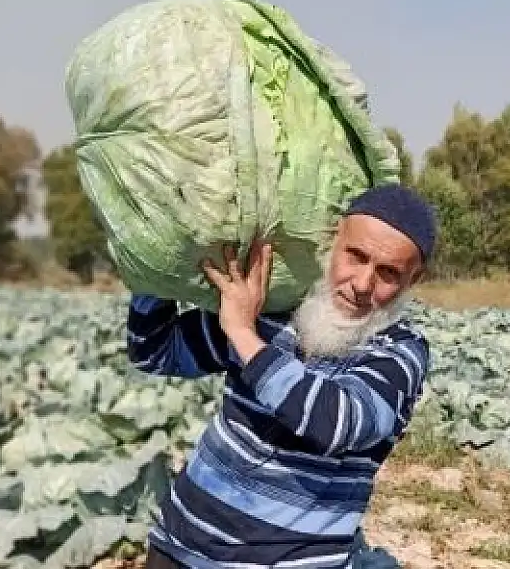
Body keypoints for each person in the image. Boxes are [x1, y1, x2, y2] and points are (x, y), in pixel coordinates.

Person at [127, 183, 437, 569]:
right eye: (355, 256)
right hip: (179, 545)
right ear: (332, 238)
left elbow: (336, 422)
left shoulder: (399, 352)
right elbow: (155, 353)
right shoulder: (273, 311)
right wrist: (158, 270)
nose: (362, 284)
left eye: (388, 273)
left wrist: (241, 332)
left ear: (414, 279)